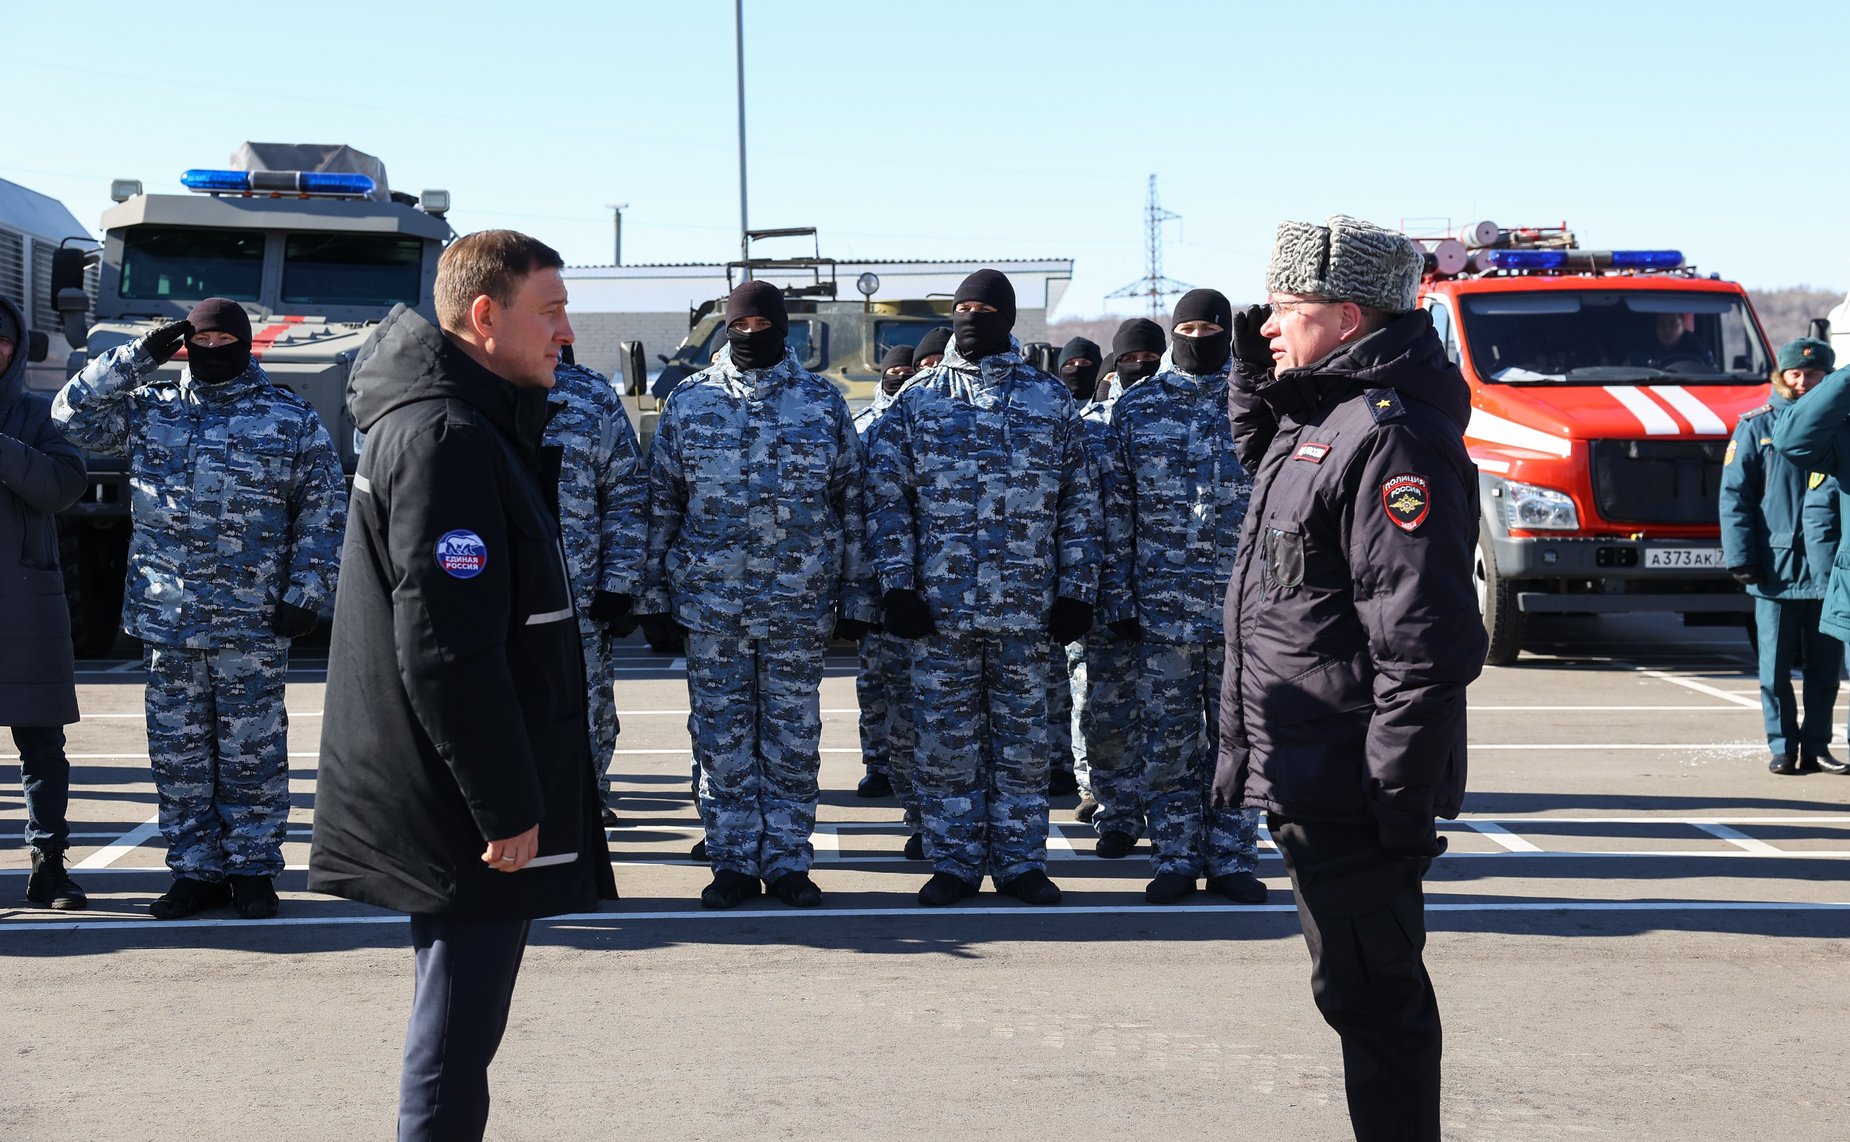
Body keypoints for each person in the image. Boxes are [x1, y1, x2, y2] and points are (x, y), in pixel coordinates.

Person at [308, 230, 617, 1141]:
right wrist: (507, 805)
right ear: (485, 317)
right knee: (453, 1041)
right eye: (551, 312)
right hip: (461, 805)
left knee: (461, 1033)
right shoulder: (445, 436)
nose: (566, 334)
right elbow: (448, 647)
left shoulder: (467, 422)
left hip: (459, 788)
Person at [1214, 215, 1485, 1141]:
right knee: (1355, 994)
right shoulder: (1323, 422)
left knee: (1377, 1005)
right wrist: (1260, 368)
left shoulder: (1390, 439)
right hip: (1313, 770)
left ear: (1345, 314)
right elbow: (1264, 454)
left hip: (1355, 785)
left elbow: (1422, 639)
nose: (1268, 327)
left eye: (1285, 310)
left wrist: (1397, 793)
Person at [55, 298, 345, 921]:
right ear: (183, 344)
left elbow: (323, 511)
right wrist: (138, 357)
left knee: (252, 753)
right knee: (179, 756)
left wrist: (308, 594)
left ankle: (253, 873)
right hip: (169, 620)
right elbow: (69, 416)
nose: (212, 350)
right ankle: (194, 872)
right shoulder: (149, 410)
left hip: (253, 621)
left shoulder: (287, 418)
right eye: (199, 339)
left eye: (224, 339)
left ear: (245, 344)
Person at [636, 280, 875, 910]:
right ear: (725, 329)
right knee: (721, 740)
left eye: (761, 324)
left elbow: (851, 504)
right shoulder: (690, 402)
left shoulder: (822, 403)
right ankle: (733, 862)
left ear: (783, 328)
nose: (749, 335)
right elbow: (662, 505)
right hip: (711, 605)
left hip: (799, 604)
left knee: (793, 739)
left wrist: (855, 595)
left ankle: (790, 861)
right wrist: (651, 597)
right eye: (738, 325)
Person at [867, 269, 1100, 906]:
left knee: (1023, 744)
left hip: (1027, 609)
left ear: (1007, 317)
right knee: (945, 744)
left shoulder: (1049, 400)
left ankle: (1023, 863)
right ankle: (954, 863)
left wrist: (1077, 589)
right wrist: (897, 585)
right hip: (939, 612)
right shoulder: (917, 400)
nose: (972, 318)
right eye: (962, 308)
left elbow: (1080, 502)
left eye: (984, 309)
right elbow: (888, 500)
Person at [1108, 288, 1264, 904]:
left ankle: (1232, 860)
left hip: (1241, 612)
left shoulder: (1259, 403)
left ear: (1228, 332)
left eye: (1211, 327)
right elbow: (1116, 513)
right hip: (1161, 609)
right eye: (1188, 326)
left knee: (1239, 738)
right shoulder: (1138, 408)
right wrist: (1118, 600)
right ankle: (1173, 856)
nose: (1198, 337)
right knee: (1168, 740)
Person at [1, 297, 88, 909]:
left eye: (1, 341)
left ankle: (48, 865)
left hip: (25, 603)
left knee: (41, 747)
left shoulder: (40, 415)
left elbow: (63, 488)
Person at [1730, 338, 1846, 775]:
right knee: (1774, 670)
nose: (1802, 382)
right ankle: (1782, 746)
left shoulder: (1838, 425)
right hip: (1774, 569)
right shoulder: (1757, 427)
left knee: (1824, 672)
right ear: (1782, 376)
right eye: (1795, 374)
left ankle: (1817, 745)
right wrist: (1742, 557)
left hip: (1828, 570)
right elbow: (1735, 496)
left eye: (1812, 375)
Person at [544, 348, 648, 822]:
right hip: (491, 594)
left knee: (588, 706)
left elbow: (626, 493)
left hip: (578, 593)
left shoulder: (589, 395)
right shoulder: (472, 387)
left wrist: (620, 582)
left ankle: (584, 807)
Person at [1065, 327, 1149, 851]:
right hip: (1101, 597)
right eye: (1129, 357)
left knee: (1180, 722)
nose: (1139, 364)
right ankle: (1115, 813)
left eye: (1149, 356)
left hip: (1173, 595)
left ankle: (1173, 820)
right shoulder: (1086, 425)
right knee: (1106, 710)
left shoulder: (1173, 413)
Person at [853, 344, 917, 802]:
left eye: (906, 367)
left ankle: (909, 769)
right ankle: (878, 762)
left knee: (914, 683)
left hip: (918, 581)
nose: (899, 373)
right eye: (892, 367)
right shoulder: (861, 424)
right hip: (874, 574)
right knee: (875, 677)